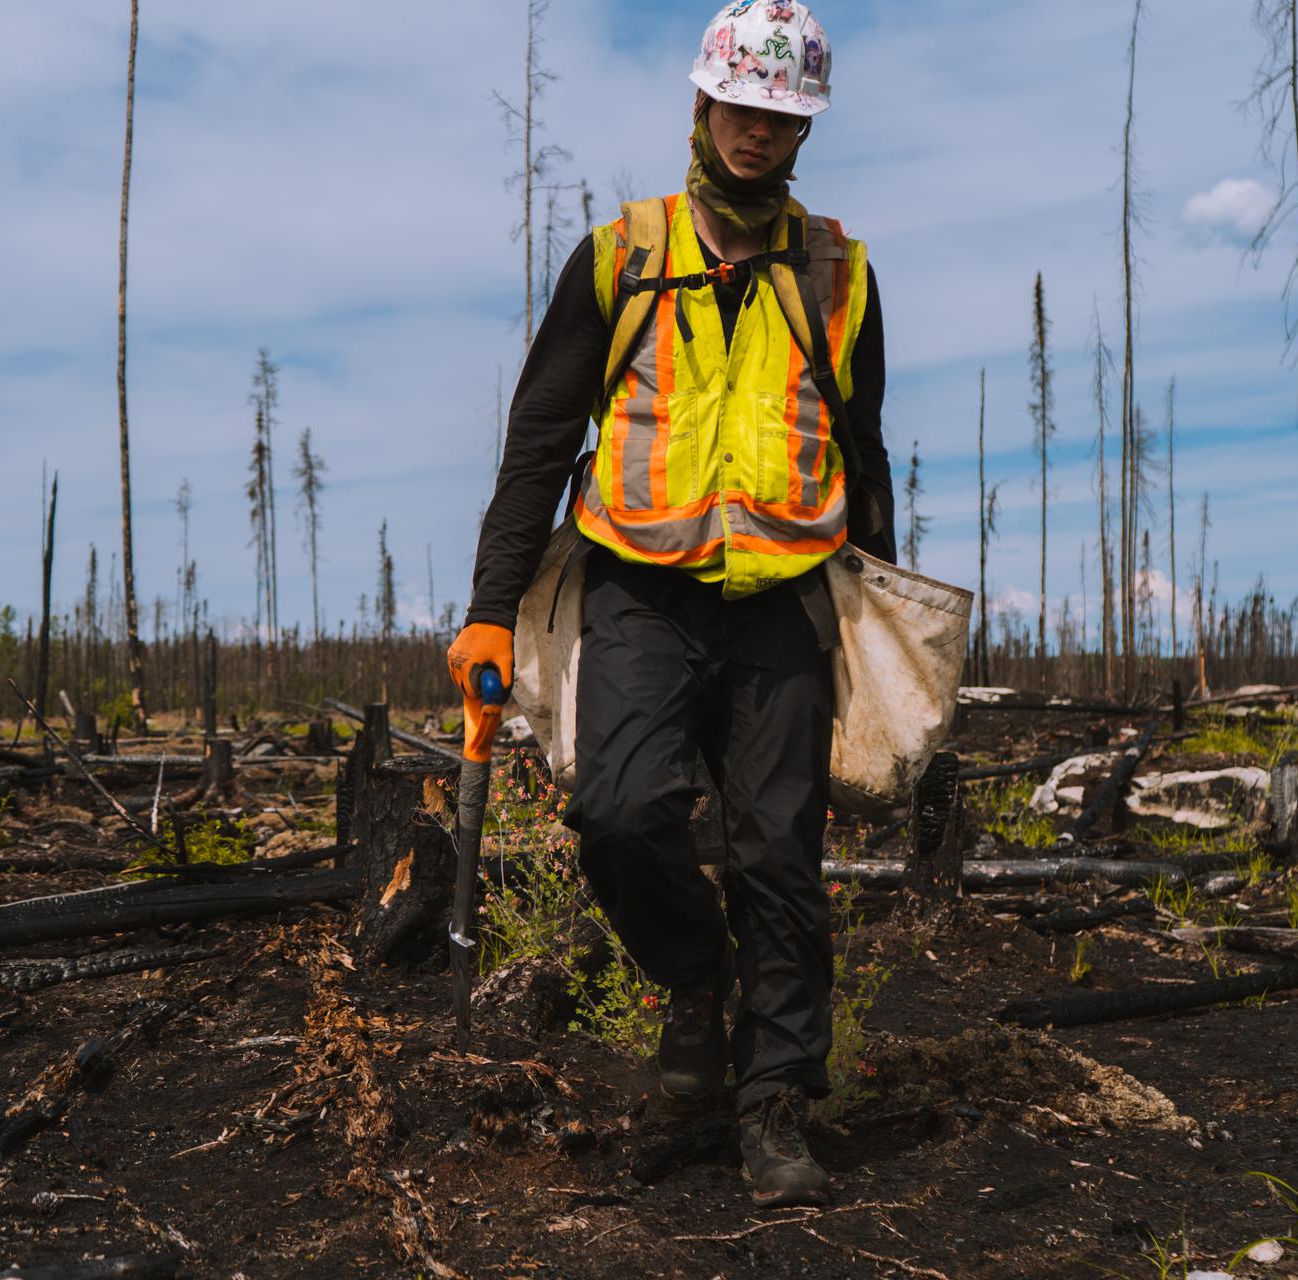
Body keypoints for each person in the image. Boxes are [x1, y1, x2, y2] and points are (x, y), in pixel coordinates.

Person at [447, 0, 892, 1209]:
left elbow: (863, 451)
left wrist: (882, 611)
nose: (758, 131)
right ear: (703, 105)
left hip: (784, 601)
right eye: (743, 107)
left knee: (782, 861)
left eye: (781, 115)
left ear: (804, 129)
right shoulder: (619, 256)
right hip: (637, 589)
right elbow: (540, 442)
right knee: (621, 814)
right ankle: (695, 983)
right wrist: (492, 606)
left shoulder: (838, 273)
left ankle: (772, 1102)